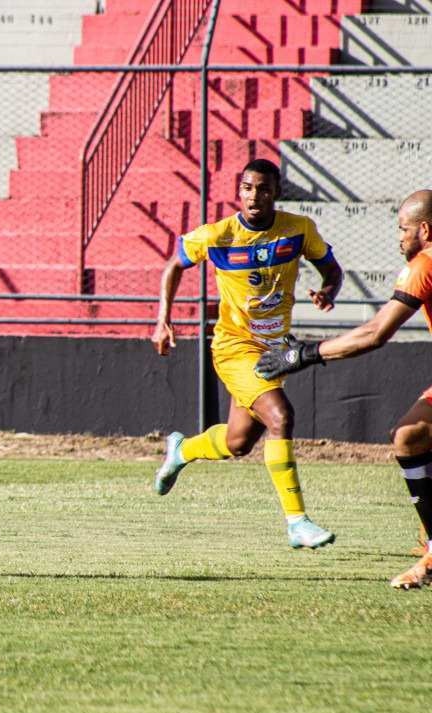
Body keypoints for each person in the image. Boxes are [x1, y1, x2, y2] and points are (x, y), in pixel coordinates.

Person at [151, 158, 344, 549]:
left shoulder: (299, 230)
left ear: (276, 192)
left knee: (239, 442)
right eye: (247, 188)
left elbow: (332, 269)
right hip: (234, 347)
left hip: (272, 352)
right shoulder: (218, 235)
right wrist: (163, 320)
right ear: (239, 191)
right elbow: (173, 265)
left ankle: (182, 449)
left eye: (263, 189)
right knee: (281, 416)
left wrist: (329, 291)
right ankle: (297, 522)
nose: (254, 196)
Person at [255, 189, 432, 588]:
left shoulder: (423, 264)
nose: (399, 238)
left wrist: (303, 354)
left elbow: (374, 333)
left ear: (424, 229)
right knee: (410, 435)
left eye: (403, 229)